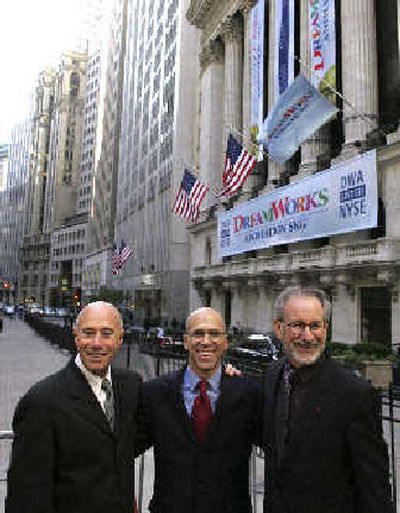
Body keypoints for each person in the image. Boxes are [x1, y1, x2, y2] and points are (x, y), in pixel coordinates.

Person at [262, 286, 394, 513]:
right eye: (298, 325)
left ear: (326, 328)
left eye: (315, 325)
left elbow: (374, 485)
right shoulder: (272, 374)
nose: (307, 336)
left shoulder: (354, 393)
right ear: (279, 328)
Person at [6, 301, 141, 513]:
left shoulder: (131, 386)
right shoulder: (41, 401)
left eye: (106, 334)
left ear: (120, 339)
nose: (97, 343)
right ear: (76, 336)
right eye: (88, 333)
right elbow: (26, 495)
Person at [138, 306, 260, 513]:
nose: (206, 341)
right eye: (198, 334)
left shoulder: (249, 394)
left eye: (214, 334)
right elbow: (125, 447)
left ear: (225, 342)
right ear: (186, 341)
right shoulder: (155, 393)